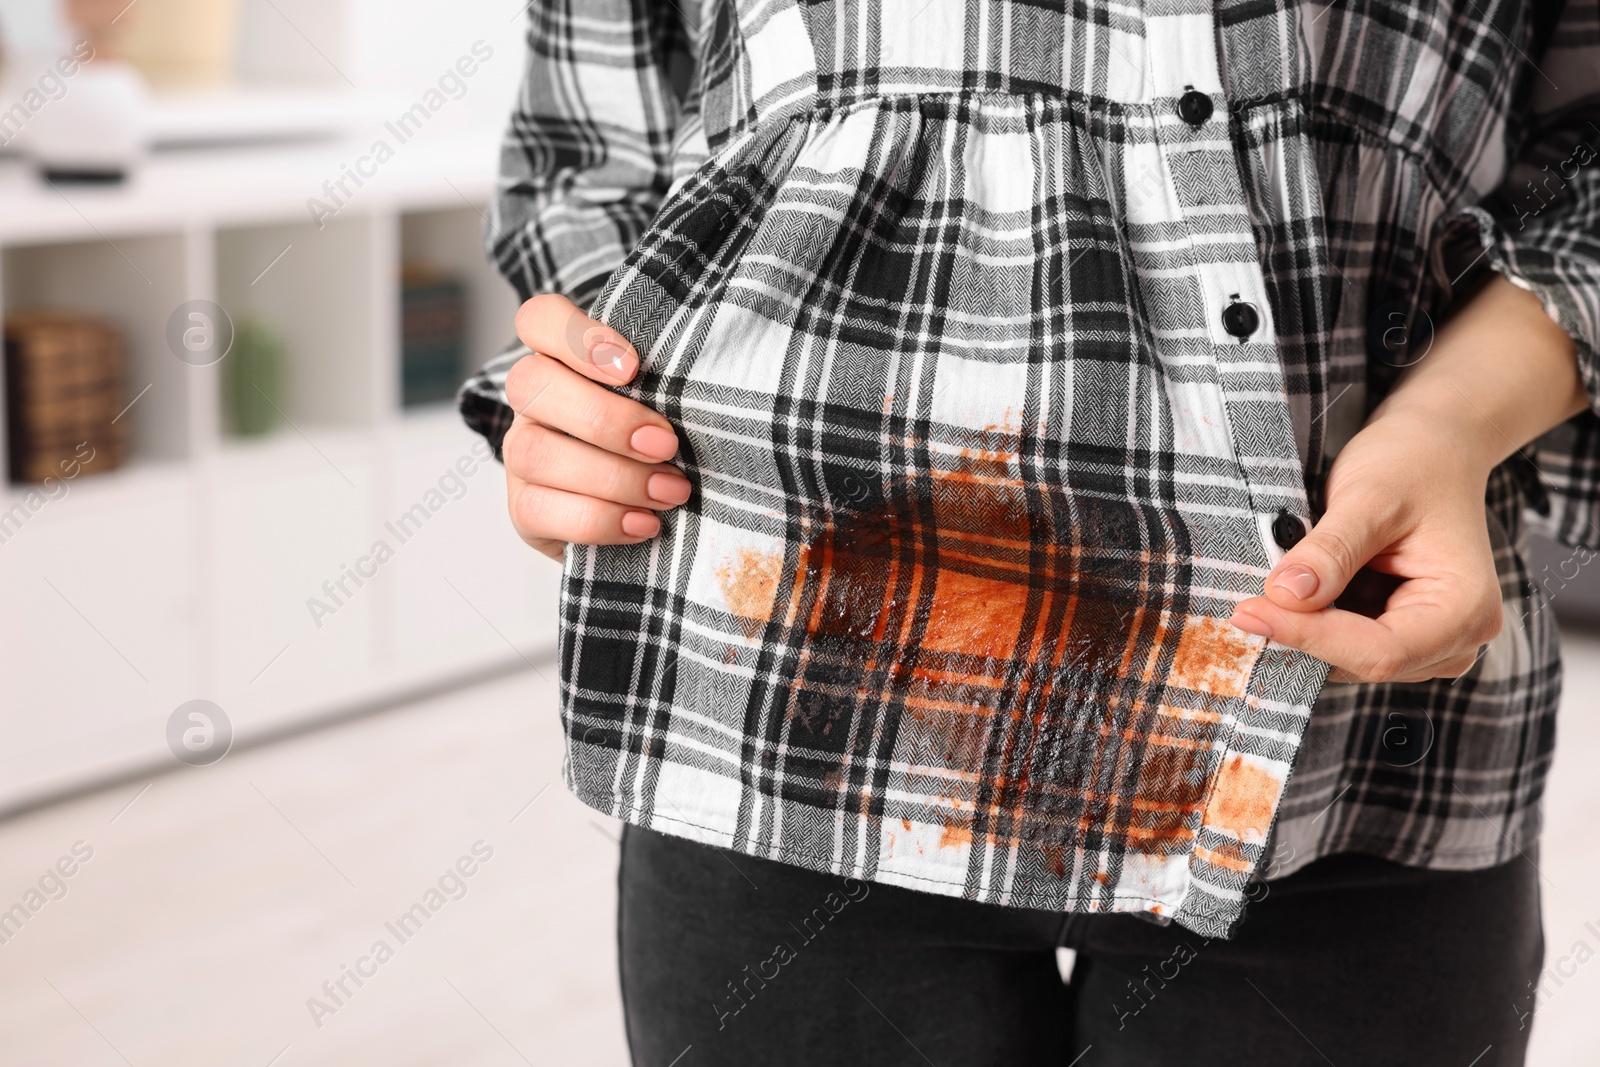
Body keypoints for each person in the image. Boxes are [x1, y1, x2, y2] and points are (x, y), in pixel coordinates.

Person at [460, 1, 1599, 1063]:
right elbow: (589, 161)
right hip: (771, 705)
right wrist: (583, 412)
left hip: (1349, 730)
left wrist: (1450, 423)